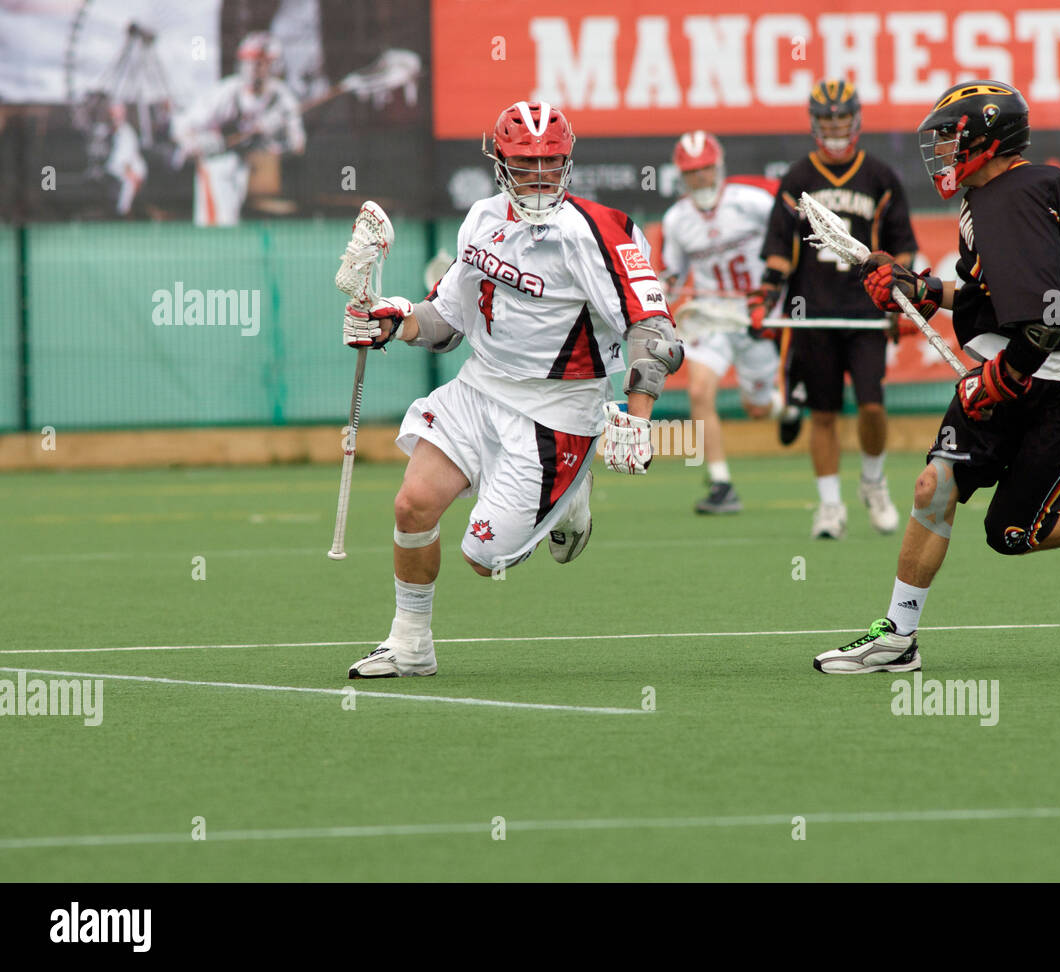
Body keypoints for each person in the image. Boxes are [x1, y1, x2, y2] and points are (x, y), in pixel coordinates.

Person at [813, 80, 1060, 675]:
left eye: (951, 138)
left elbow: (1044, 322)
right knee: (936, 486)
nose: (942, 152)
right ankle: (898, 639)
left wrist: (996, 381)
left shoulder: (1011, 198)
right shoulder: (1007, 193)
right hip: (1029, 365)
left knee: (1013, 531)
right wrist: (922, 289)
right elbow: (994, 296)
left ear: (987, 137)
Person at [342, 100, 682, 678]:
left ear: (569, 161)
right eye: (526, 164)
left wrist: (639, 415)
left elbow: (655, 330)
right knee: (412, 504)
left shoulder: (598, 231)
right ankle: (410, 645)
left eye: (551, 162)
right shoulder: (480, 218)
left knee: (484, 558)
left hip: (557, 412)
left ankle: (573, 495)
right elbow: (446, 321)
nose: (540, 176)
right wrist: (395, 320)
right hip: (478, 388)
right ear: (499, 163)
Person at [756, 78, 917, 540]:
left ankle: (874, 482)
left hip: (865, 313)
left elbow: (902, 248)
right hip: (815, 313)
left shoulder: (881, 176)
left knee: (872, 406)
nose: (834, 128)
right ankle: (829, 507)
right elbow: (779, 251)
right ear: (814, 123)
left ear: (856, 120)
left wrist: (901, 297)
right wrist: (765, 295)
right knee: (822, 413)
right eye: (826, 120)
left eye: (841, 119)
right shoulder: (797, 178)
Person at [661, 130, 779, 514]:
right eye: (692, 172)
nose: (700, 178)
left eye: (706, 169)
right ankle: (721, 483)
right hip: (710, 314)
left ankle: (784, 408)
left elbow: (788, 239)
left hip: (755, 313)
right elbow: (672, 273)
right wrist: (665, 290)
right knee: (699, 392)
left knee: (757, 407)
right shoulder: (677, 219)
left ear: (719, 167)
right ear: (681, 175)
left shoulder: (752, 202)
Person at [172, 32, 305, 226]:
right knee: (221, 224)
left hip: (256, 172)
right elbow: (183, 127)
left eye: (260, 62)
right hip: (220, 165)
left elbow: (298, 145)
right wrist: (202, 143)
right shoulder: (226, 92)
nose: (252, 69)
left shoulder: (283, 99)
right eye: (248, 62)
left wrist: (274, 136)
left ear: (273, 65)